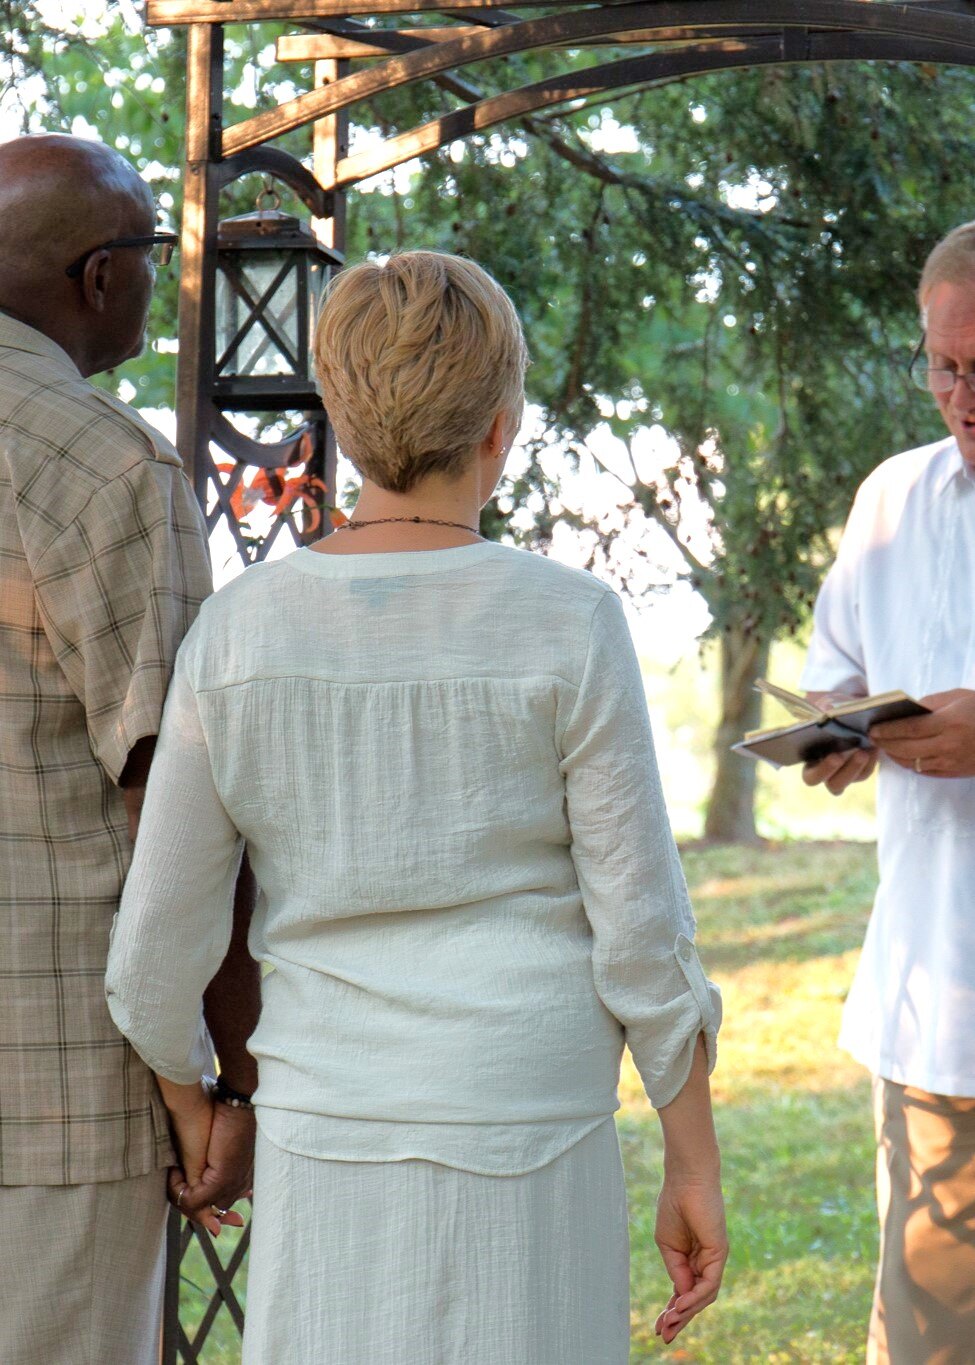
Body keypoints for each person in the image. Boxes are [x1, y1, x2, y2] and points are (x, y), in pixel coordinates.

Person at [105, 249, 727, 1364]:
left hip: (328, 1124)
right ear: (500, 426)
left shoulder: (241, 634)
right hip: (532, 1117)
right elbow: (642, 932)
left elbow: (158, 946)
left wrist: (197, 1104)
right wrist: (692, 1161)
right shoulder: (568, 621)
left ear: (339, 419)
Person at [0, 134, 259, 1365]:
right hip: (50, 1096)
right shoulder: (105, 463)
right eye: (157, 254)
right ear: (101, 278)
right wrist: (214, 1087)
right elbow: (183, 812)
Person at [801, 222, 975, 1363]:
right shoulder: (889, 503)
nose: (961, 394)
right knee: (930, 1343)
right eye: (945, 366)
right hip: (939, 1008)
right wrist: (841, 738)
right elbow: (837, 681)